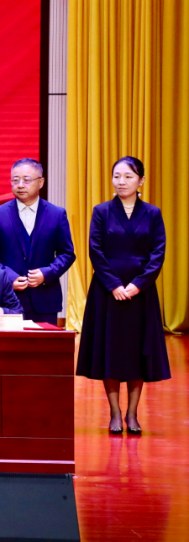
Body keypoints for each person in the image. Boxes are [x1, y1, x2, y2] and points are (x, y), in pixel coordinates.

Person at [76, 156, 170, 436]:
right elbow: (95, 251)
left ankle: (132, 413)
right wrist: (114, 285)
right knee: (111, 351)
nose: (121, 181)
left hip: (140, 293)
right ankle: (115, 412)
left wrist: (138, 285)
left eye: (128, 176)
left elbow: (158, 253)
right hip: (108, 291)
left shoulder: (152, 213)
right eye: (117, 176)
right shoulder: (101, 211)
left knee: (136, 351)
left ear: (141, 181)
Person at [0, 158, 77, 324]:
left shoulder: (57, 214)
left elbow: (67, 253)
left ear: (41, 182)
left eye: (26, 180)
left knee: (44, 341)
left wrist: (47, 273)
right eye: (15, 180)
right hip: (6, 298)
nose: (20, 185)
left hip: (45, 299)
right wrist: (8, 277)